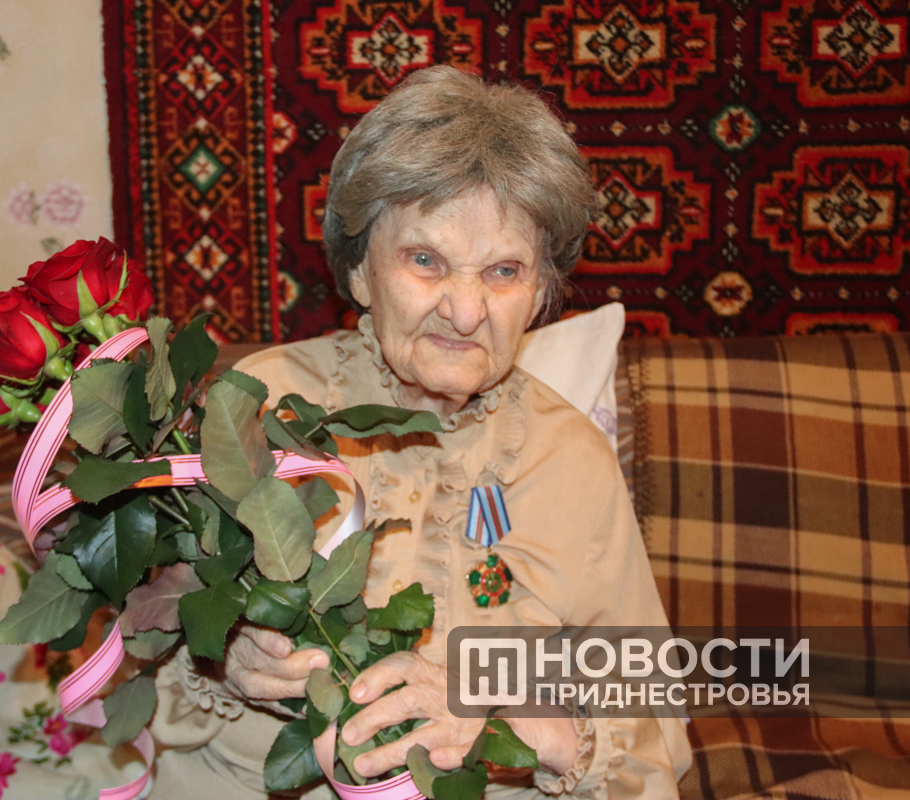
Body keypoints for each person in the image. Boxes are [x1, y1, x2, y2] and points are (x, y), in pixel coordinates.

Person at [150, 65, 691, 799]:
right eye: (426, 260)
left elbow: (654, 727)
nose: (465, 311)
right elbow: (139, 638)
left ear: (539, 294)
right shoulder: (263, 403)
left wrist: (520, 724)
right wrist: (221, 655)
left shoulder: (570, 459)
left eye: (504, 271)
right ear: (361, 272)